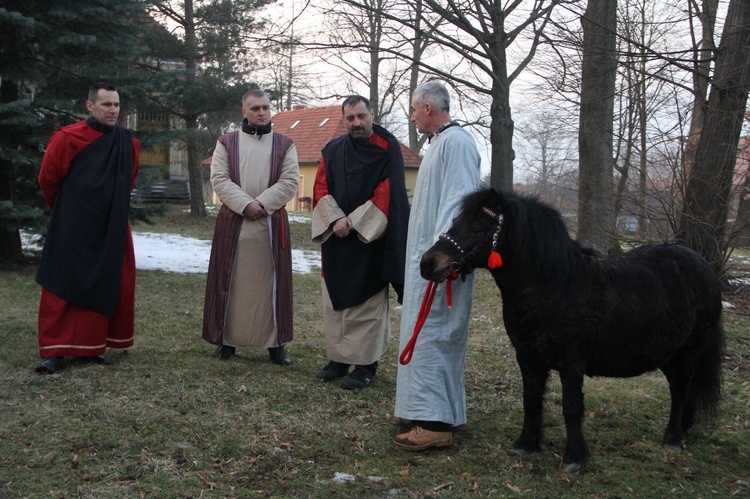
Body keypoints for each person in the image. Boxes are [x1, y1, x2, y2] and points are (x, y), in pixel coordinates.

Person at [393, 81, 481, 449]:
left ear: (428, 108)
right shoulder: (442, 144)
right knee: (427, 334)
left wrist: (445, 259)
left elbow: (459, 203)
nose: (413, 117)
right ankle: (438, 413)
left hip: (441, 265)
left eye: (414, 110)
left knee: (434, 336)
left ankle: (434, 425)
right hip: (427, 262)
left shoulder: (457, 143)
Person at [34, 83, 141, 375]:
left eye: (117, 105)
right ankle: (54, 350)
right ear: (90, 106)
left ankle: (92, 346)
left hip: (112, 223)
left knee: (105, 280)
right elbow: (48, 179)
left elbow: (128, 181)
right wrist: (71, 211)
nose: (113, 110)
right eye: (106, 104)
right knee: (63, 281)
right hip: (73, 222)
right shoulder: (67, 138)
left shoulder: (127, 143)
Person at [312, 95, 409, 390]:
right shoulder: (332, 149)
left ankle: (366, 365)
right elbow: (320, 185)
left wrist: (355, 221)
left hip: (371, 239)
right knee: (335, 301)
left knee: (367, 304)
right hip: (337, 238)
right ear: (344, 119)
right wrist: (335, 219)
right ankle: (339, 359)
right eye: (350, 118)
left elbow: (389, 188)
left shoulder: (387, 147)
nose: (356, 122)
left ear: (372, 114)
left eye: (361, 116)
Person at [203, 89, 299, 366]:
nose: (261, 113)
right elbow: (219, 179)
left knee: (273, 284)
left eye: (265, 108)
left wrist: (263, 203)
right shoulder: (227, 142)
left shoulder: (285, 144)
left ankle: (275, 344)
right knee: (228, 282)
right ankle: (227, 341)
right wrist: (245, 205)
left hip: (270, 223)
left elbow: (290, 181)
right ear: (244, 111)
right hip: (235, 221)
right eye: (255, 108)